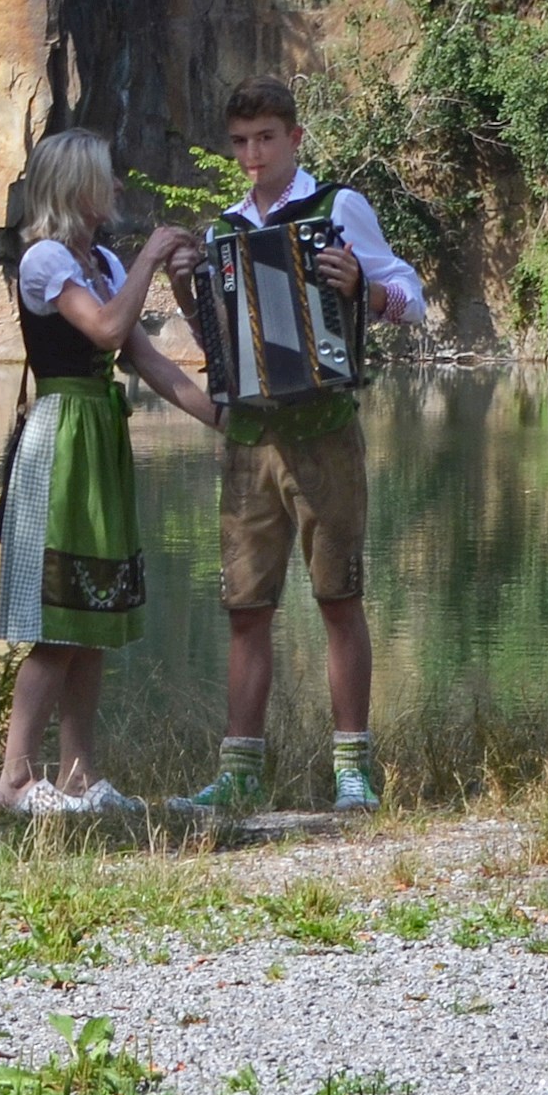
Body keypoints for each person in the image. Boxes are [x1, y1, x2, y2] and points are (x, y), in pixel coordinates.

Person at [167, 78, 426, 815]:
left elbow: (411, 296)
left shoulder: (337, 208)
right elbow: (219, 353)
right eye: (241, 142)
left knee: (338, 597)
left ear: (295, 139)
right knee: (246, 608)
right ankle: (239, 773)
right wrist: (190, 293)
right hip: (250, 437)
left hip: (322, 430)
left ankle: (353, 770)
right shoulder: (223, 230)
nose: (252, 155)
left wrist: (367, 292)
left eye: (266, 139)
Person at [0, 130, 221, 815]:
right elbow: (105, 332)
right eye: (105, 177)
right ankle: (13, 783)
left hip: (97, 440)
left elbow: (146, 361)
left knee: (90, 617)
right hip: (59, 441)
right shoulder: (45, 260)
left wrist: (224, 420)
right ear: (77, 187)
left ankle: (79, 777)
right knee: (59, 623)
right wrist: (152, 256)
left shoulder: (101, 263)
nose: (116, 188)